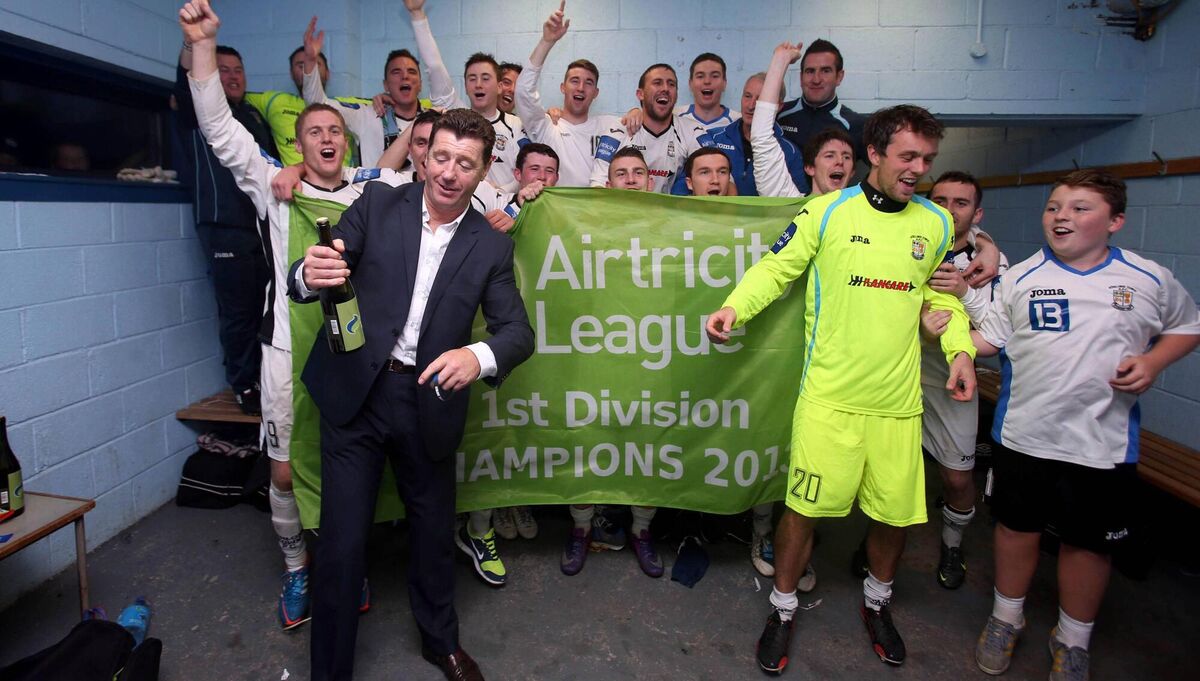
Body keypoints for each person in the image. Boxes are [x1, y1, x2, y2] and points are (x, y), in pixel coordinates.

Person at [706, 104, 978, 674]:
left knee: (893, 517)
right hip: (828, 400)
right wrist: (734, 306)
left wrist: (960, 351)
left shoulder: (934, 223)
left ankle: (877, 604)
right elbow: (774, 269)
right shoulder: (826, 213)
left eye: (926, 160)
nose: (917, 169)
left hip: (898, 404)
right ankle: (782, 609)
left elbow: (944, 298)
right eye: (907, 157)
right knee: (802, 511)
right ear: (873, 154)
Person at [285, 79, 534, 681]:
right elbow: (326, 260)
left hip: (429, 398)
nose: (449, 172)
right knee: (342, 546)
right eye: (441, 156)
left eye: (465, 164)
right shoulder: (377, 204)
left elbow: (518, 333)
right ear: (424, 156)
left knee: (430, 536)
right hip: (357, 395)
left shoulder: (489, 247)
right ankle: (330, 669)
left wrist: (478, 355)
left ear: (482, 173)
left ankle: (439, 641)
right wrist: (306, 272)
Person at [179, 0, 412, 632]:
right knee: (283, 472)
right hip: (285, 348)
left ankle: (346, 561)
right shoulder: (271, 183)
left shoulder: (370, 187)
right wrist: (203, 47)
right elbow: (218, 128)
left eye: (334, 129)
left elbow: (430, 182)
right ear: (297, 144)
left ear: (345, 139)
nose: (327, 137)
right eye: (313, 132)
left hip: (351, 351)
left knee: (354, 469)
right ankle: (297, 570)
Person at [960, 169, 1200, 681]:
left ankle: (1073, 638)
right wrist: (949, 333)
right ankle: (1006, 618)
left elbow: (1186, 327)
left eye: (1079, 207)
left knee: (1089, 544)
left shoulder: (1148, 278)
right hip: (1024, 435)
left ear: (1115, 221)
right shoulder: (1021, 277)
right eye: (1054, 207)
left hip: (1102, 444)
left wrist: (1154, 363)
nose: (1061, 216)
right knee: (1016, 529)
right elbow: (989, 341)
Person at [174, 36, 275, 415]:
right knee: (239, 310)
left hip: (261, 227)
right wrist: (194, 42)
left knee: (265, 306)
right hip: (223, 227)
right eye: (223, 70)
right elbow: (187, 78)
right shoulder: (198, 112)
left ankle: (265, 378)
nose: (232, 77)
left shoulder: (252, 116)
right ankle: (244, 385)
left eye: (237, 70)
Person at [918, 171, 1009, 591]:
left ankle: (952, 544)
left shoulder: (990, 262)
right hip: (900, 376)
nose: (949, 210)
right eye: (941, 200)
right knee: (892, 471)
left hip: (955, 379)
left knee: (956, 477)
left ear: (977, 212)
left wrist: (963, 293)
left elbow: (995, 333)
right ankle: (873, 543)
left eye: (961, 203)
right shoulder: (910, 241)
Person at [406, 0, 528, 192]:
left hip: (502, 211)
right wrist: (417, 15)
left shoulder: (516, 126)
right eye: (472, 78)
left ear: (499, 86)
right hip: (457, 203)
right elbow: (435, 67)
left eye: (485, 78)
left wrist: (497, 194)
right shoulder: (455, 115)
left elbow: (526, 171)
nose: (478, 84)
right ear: (465, 85)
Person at [515, 1, 624, 187]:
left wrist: (636, 112)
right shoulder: (547, 127)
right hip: (554, 213)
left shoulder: (609, 126)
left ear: (595, 93)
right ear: (562, 87)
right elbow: (523, 91)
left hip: (595, 213)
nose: (581, 87)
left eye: (588, 83)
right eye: (574, 81)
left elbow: (646, 125)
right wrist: (546, 42)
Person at [299, 17, 427, 168]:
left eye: (411, 72)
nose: (405, 76)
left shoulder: (432, 120)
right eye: (396, 72)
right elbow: (318, 106)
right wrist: (310, 59)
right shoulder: (365, 115)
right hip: (377, 191)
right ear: (385, 85)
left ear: (420, 85)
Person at [671, 71, 804, 196]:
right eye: (747, 96)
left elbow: (798, 202)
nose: (751, 105)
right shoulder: (713, 138)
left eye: (760, 100)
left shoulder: (789, 151)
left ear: (778, 106)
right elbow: (682, 186)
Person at [587, 62, 710, 193]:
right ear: (641, 94)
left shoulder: (693, 131)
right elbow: (598, 184)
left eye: (671, 84)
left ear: (676, 95)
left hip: (665, 211)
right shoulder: (618, 130)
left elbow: (720, 175)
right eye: (657, 83)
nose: (665, 88)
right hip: (625, 209)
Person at [774, 39, 867, 165]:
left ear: (839, 77)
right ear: (801, 77)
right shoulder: (779, 114)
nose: (816, 79)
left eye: (825, 71)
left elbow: (879, 176)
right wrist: (779, 61)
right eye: (810, 71)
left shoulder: (855, 125)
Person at [677, 52, 740, 132]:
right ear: (691, 84)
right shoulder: (675, 118)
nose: (707, 81)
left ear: (724, 83)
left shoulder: (738, 123)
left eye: (715, 76)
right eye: (700, 76)